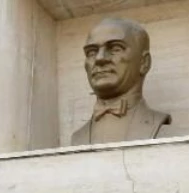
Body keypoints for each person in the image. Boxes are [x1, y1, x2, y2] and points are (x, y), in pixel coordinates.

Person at [70, 17, 171, 145]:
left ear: (144, 62)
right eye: (92, 52)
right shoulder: (78, 138)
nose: (100, 58)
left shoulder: (160, 126)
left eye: (115, 49)